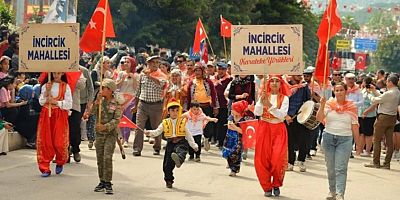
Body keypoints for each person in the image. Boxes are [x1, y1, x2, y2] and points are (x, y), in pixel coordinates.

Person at [316, 82, 359, 200]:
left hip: (345, 140)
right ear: (334, 92)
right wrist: (321, 105)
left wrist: (358, 144)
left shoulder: (352, 106)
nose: (339, 92)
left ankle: (340, 194)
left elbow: (355, 126)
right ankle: (332, 191)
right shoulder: (329, 104)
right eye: (337, 90)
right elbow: (319, 119)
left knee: (340, 168)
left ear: (346, 91)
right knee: (330, 168)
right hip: (329, 138)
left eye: (341, 90)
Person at [144, 100, 198, 188]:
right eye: (173, 111)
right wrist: (149, 133)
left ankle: (179, 160)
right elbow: (157, 132)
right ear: (168, 112)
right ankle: (169, 180)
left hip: (181, 141)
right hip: (170, 143)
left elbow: (188, 135)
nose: (175, 113)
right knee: (166, 165)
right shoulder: (164, 122)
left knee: (181, 151)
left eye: (177, 110)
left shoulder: (182, 122)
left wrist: (194, 145)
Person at [253, 75, 290, 197]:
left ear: (281, 84)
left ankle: (276, 184)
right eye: (272, 81)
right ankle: (266, 186)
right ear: (268, 83)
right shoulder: (263, 96)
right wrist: (260, 103)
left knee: (278, 159)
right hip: (264, 127)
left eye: (277, 81)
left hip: (278, 129)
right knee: (262, 158)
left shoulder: (285, 98)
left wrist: (268, 105)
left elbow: (281, 115)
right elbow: (257, 113)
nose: (274, 83)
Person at [37, 72, 72, 177]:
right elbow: (41, 101)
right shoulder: (46, 85)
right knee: (45, 141)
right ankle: (45, 168)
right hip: (46, 115)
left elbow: (69, 104)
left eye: (58, 73)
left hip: (59, 115)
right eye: (54, 73)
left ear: (62, 73)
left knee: (59, 143)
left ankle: (60, 161)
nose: (56, 75)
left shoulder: (65, 86)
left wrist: (56, 102)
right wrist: (46, 93)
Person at [91, 79, 123, 195]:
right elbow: (92, 112)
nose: (101, 90)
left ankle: (108, 182)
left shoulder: (116, 103)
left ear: (109, 90)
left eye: (103, 87)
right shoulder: (100, 100)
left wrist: (105, 126)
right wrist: (96, 102)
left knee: (107, 157)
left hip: (110, 133)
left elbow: (117, 120)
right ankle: (102, 181)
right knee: (100, 158)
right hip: (99, 134)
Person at [133, 55, 168, 156]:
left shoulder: (162, 75)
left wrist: (150, 76)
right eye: (152, 62)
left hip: (156, 105)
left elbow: (161, 84)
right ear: (148, 64)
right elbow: (138, 91)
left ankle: (157, 147)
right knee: (139, 127)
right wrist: (135, 106)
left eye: (157, 62)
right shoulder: (142, 75)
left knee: (156, 127)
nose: (155, 64)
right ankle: (137, 148)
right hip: (143, 104)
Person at [364, 75, 400, 169]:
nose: (386, 83)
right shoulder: (396, 92)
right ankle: (387, 163)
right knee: (389, 141)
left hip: (383, 117)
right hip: (392, 117)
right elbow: (382, 97)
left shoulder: (390, 93)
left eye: (387, 81)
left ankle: (376, 162)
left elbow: (376, 101)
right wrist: (374, 91)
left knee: (376, 139)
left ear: (390, 82)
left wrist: (369, 94)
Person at [186, 62, 218, 151]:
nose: (197, 72)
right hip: (195, 108)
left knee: (208, 126)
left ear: (203, 71)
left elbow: (214, 95)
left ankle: (207, 139)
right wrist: (187, 108)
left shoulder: (208, 82)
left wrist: (215, 107)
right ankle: (196, 145)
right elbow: (188, 97)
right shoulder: (191, 82)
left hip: (206, 106)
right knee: (195, 127)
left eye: (199, 70)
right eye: (195, 71)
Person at [223, 100, 254, 177]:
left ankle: (234, 170)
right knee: (227, 152)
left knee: (236, 154)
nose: (231, 110)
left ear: (238, 111)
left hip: (238, 140)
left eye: (233, 109)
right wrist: (235, 127)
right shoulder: (231, 117)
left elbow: (243, 131)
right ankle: (230, 164)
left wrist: (234, 127)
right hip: (229, 138)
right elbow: (229, 126)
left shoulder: (243, 120)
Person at [286, 74, 310, 172]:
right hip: (289, 117)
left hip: (301, 116)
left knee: (303, 140)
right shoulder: (285, 85)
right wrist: (286, 115)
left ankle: (301, 160)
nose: (299, 76)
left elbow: (308, 101)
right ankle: (290, 162)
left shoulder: (304, 86)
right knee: (290, 141)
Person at [116, 56, 138, 147]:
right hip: (121, 98)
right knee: (119, 118)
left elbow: (136, 88)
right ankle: (120, 136)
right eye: (124, 62)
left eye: (128, 62)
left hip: (131, 98)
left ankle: (126, 138)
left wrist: (133, 78)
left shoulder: (136, 75)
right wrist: (122, 79)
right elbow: (116, 86)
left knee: (128, 118)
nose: (125, 63)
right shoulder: (121, 73)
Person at [214, 62, 232, 149]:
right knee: (217, 123)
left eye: (222, 69)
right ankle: (218, 140)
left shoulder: (229, 79)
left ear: (225, 70)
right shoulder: (214, 78)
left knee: (223, 124)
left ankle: (223, 141)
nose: (220, 71)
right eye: (219, 69)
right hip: (216, 105)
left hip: (225, 105)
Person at [344, 73, 363, 156]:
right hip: (343, 113)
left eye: (352, 79)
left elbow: (361, 102)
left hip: (353, 114)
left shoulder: (358, 90)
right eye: (349, 79)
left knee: (352, 132)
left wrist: (351, 104)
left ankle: (349, 150)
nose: (351, 81)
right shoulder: (342, 89)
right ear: (345, 79)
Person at [358, 76, 377, 157]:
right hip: (360, 115)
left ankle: (368, 150)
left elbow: (374, 105)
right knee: (361, 133)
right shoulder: (362, 91)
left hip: (369, 116)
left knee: (368, 134)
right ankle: (360, 149)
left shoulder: (371, 91)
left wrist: (365, 112)